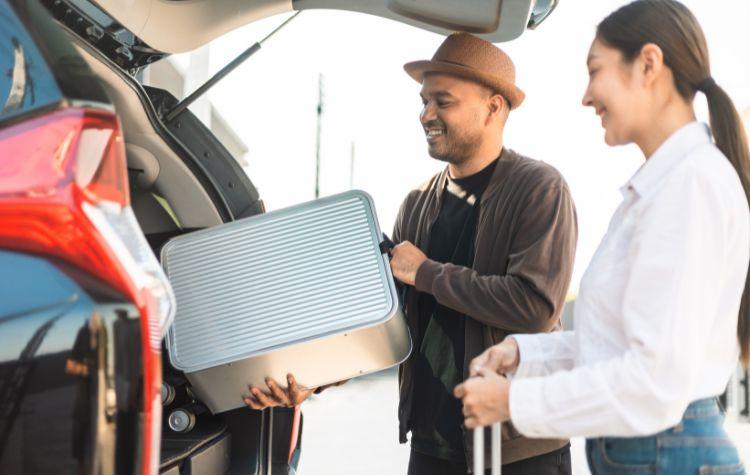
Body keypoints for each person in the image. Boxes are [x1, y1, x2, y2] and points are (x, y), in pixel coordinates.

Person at [455, 2, 750, 474]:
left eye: (595, 71)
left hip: (663, 454)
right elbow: (616, 347)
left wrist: (515, 400)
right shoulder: (664, 185)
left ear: (648, 65)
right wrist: (525, 352)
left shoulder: (688, 186)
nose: (586, 96)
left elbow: (652, 381)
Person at [388, 32, 578, 475]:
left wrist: (428, 273)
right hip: (431, 447)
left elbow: (534, 306)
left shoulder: (540, 189)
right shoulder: (416, 202)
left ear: (493, 107)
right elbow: (387, 321)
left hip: (519, 449)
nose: (426, 114)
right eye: (423, 102)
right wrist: (314, 379)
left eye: (443, 102)